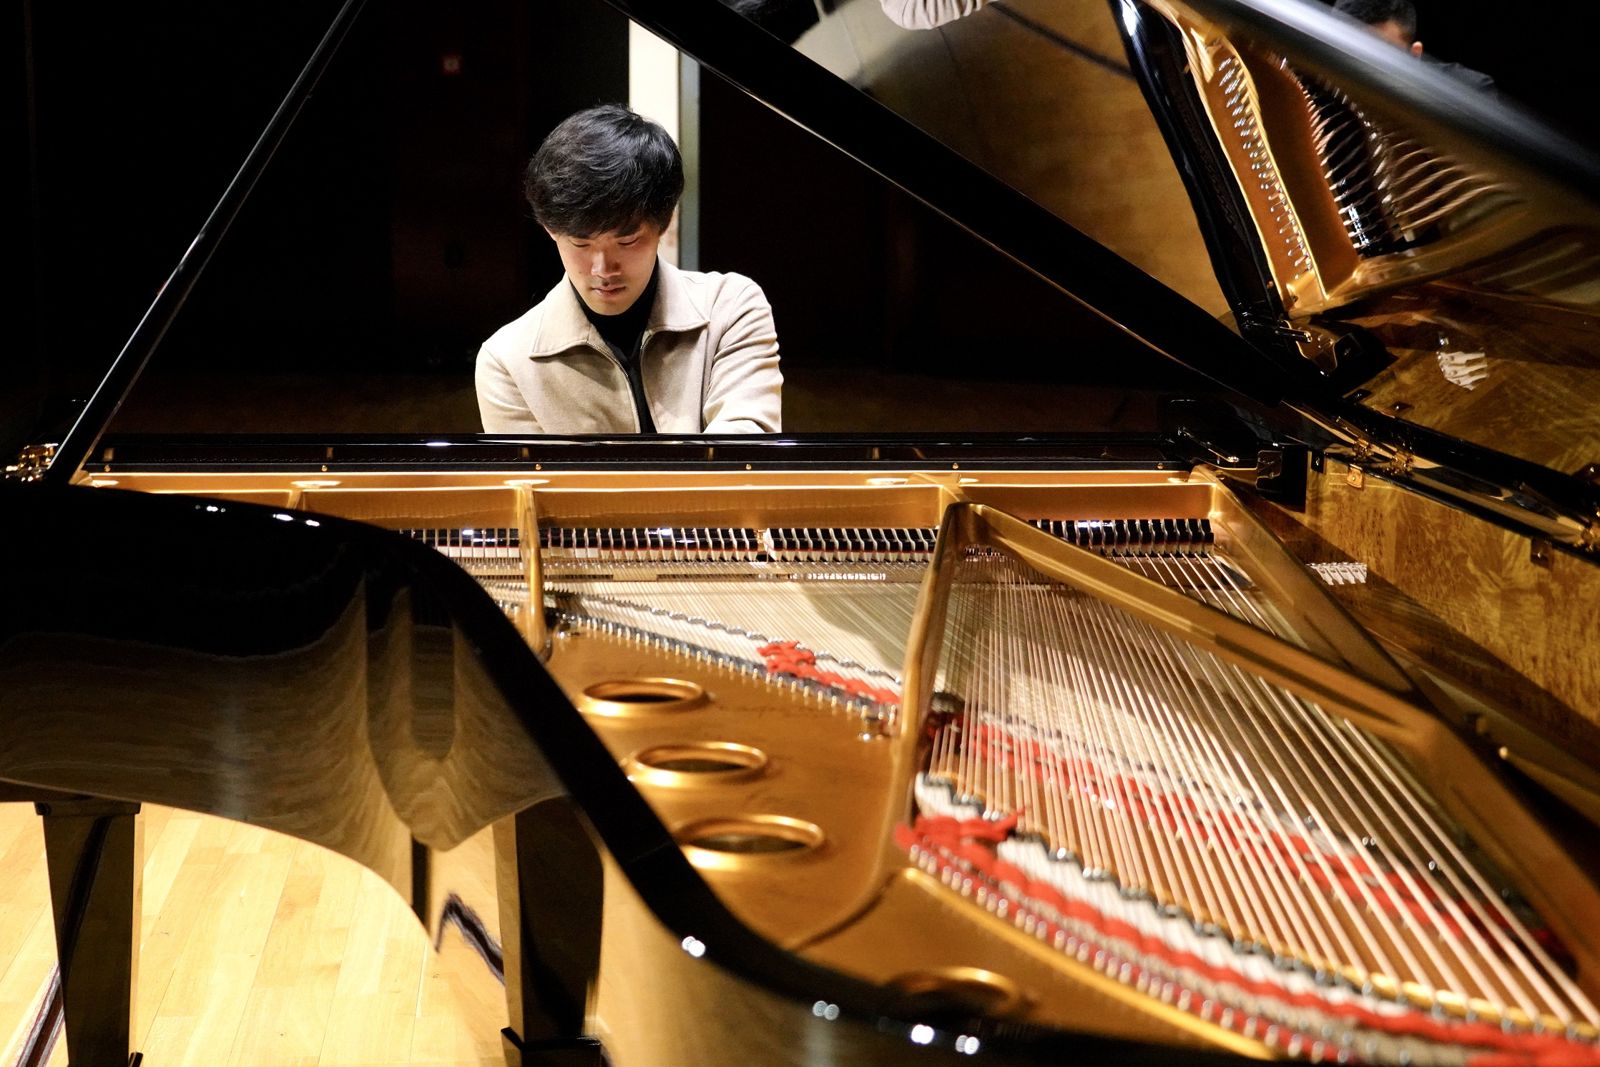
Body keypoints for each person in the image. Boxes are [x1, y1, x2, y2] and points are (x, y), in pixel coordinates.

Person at [476, 105, 782, 434]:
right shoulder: (508, 360)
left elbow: (744, 449)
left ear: (666, 223)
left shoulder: (730, 308)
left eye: (627, 241)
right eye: (580, 244)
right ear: (551, 230)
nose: (603, 268)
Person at [1332, 0, 1496, 93]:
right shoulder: (1322, 91)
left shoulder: (1471, 91)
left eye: (1380, 57)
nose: (1361, 74)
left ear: (1414, 55)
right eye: (1347, 56)